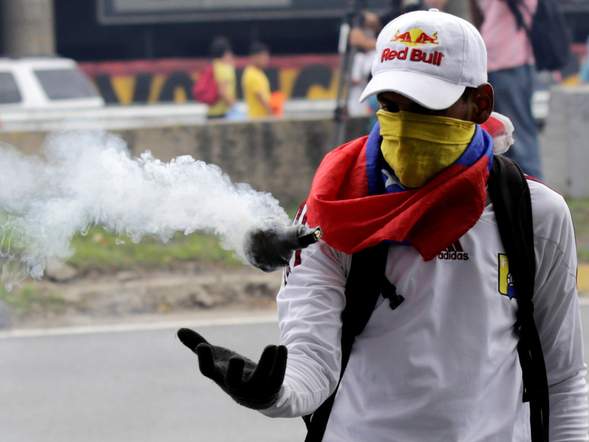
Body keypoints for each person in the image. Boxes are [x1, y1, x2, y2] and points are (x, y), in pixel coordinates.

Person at [178, 9, 588, 441]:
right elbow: (313, 362)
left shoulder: (533, 213)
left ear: (479, 104)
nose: (405, 125)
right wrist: (273, 393)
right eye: (391, 106)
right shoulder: (331, 212)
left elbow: (562, 378)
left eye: (426, 107)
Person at [471, 0, 543, 178]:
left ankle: (534, 191)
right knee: (499, 136)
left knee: (519, 135)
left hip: (510, 63)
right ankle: (510, 190)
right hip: (493, 62)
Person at [206, 36, 236, 119]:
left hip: (211, 111)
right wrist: (234, 107)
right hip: (222, 113)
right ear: (226, 52)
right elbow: (222, 92)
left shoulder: (213, 65)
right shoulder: (225, 68)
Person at [242, 42, 273, 119]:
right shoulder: (251, 74)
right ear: (255, 57)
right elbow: (261, 98)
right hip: (257, 119)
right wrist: (272, 114)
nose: (266, 60)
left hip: (263, 118)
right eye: (264, 57)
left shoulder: (259, 72)